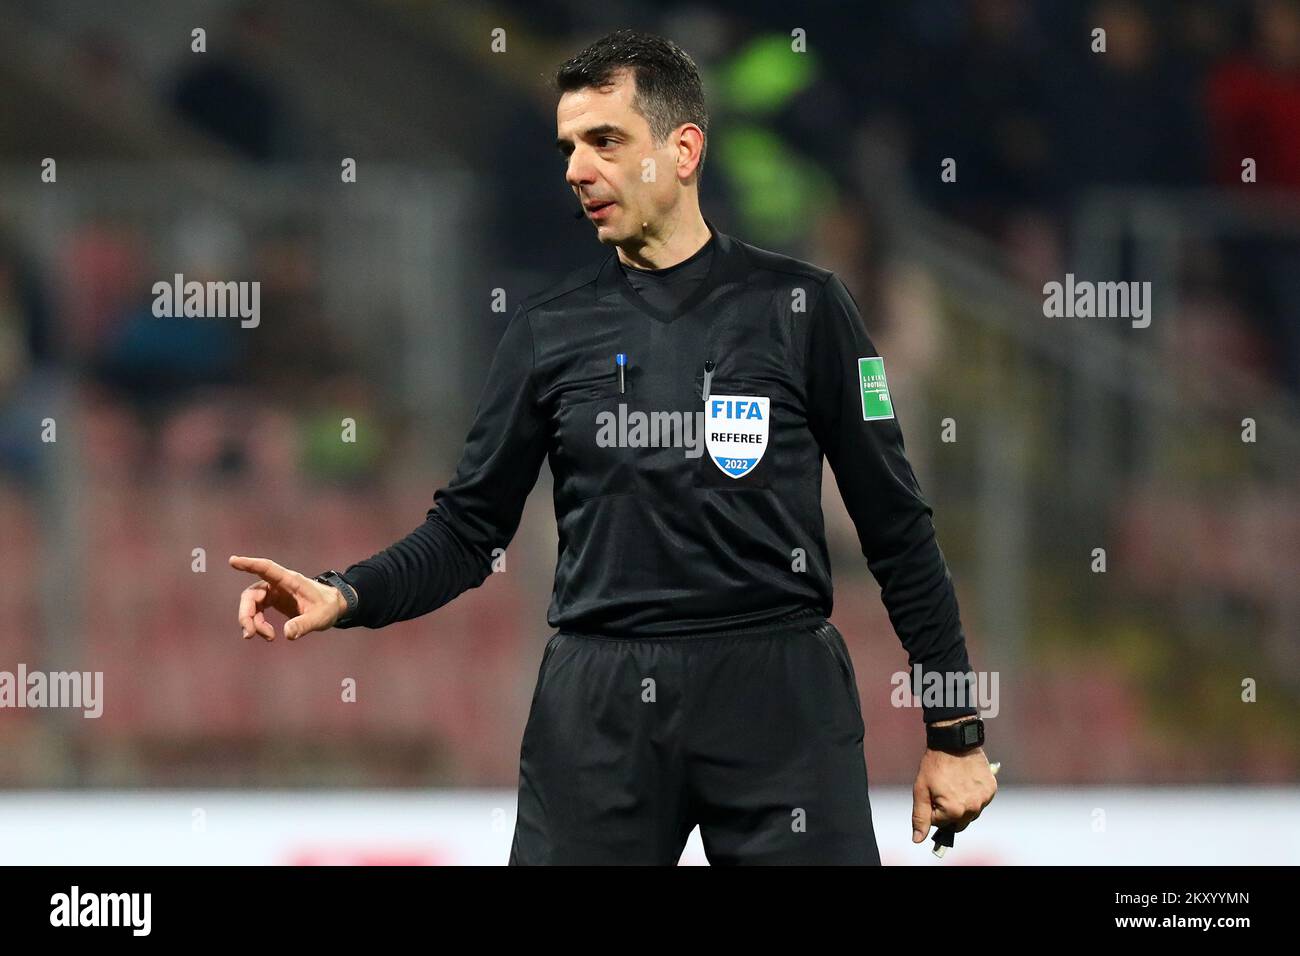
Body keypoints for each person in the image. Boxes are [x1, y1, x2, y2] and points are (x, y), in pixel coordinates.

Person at [231, 29, 996, 865]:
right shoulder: (547, 333)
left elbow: (897, 526)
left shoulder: (805, 310)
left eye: (605, 141)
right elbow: (466, 530)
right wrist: (347, 594)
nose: (576, 169)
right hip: (600, 709)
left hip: (778, 695)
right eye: (568, 146)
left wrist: (955, 730)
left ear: (685, 149)